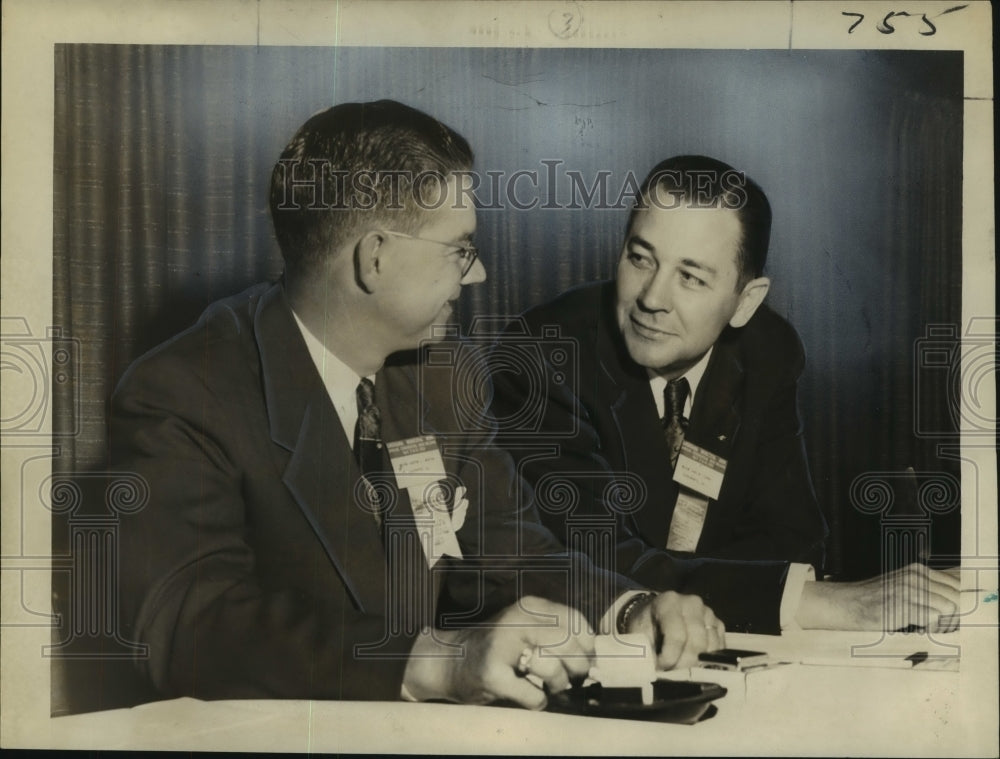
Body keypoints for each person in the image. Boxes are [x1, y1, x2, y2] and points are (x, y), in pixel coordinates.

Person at [112, 102, 728, 710]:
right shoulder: (185, 390)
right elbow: (186, 620)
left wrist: (627, 608)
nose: (479, 272)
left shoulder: (443, 373)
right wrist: (440, 660)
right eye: (460, 249)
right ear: (374, 256)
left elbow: (508, 547)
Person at [489, 155, 960, 634]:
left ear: (746, 301)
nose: (651, 298)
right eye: (640, 257)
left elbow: (790, 537)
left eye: (690, 276)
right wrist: (818, 604)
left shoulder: (767, 351)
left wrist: (730, 601)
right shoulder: (543, 354)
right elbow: (596, 559)